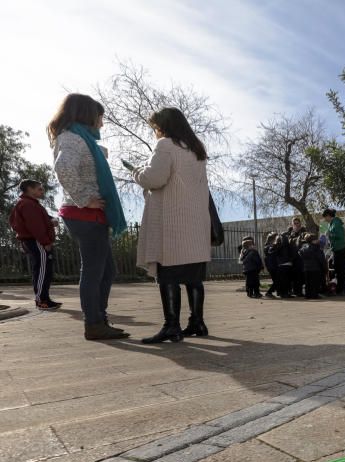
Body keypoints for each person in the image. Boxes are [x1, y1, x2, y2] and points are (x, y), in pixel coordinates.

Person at [49, 93, 129, 340]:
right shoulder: (73, 138)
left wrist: (97, 153)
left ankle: (98, 319)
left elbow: (79, 164)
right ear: (88, 115)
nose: (102, 124)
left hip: (87, 215)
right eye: (100, 118)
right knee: (95, 271)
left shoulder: (77, 138)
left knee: (105, 271)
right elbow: (63, 168)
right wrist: (86, 199)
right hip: (85, 214)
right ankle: (94, 323)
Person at [132, 107, 212, 343]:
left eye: (155, 127)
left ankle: (171, 326)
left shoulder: (165, 145)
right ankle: (197, 322)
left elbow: (154, 179)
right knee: (193, 278)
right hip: (196, 223)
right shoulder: (196, 149)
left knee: (168, 276)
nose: (155, 132)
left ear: (163, 127)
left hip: (173, 224)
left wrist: (136, 172)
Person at [8, 179, 61, 310]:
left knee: (43, 270)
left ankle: (44, 298)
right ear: (30, 189)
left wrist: (51, 219)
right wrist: (45, 241)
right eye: (39, 188)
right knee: (43, 270)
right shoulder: (28, 205)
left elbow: (42, 219)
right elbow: (35, 226)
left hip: (35, 241)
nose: (42, 191)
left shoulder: (31, 204)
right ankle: (42, 301)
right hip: (37, 241)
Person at [321, 208, 345, 295]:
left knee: (341, 270)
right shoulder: (331, 224)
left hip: (340, 249)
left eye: (325, 217)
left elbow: (339, 235)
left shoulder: (336, 223)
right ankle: (340, 288)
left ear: (328, 216)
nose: (325, 219)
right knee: (338, 270)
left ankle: (342, 289)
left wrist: (330, 234)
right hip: (336, 249)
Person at [298, 233, 326, 299]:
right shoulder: (317, 248)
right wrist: (324, 267)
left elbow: (300, 253)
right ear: (313, 240)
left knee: (308, 282)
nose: (318, 240)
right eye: (316, 239)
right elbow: (321, 258)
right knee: (315, 282)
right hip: (316, 267)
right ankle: (314, 294)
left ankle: (308, 294)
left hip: (306, 268)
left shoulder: (304, 248)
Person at [262, 232, 279, 298]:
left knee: (277, 280)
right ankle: (269, 292)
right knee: (277, 280)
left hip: (272, 266)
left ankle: (274, 292)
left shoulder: (269, 246)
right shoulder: (269, 247)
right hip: (272, 266)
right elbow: (272, 254)